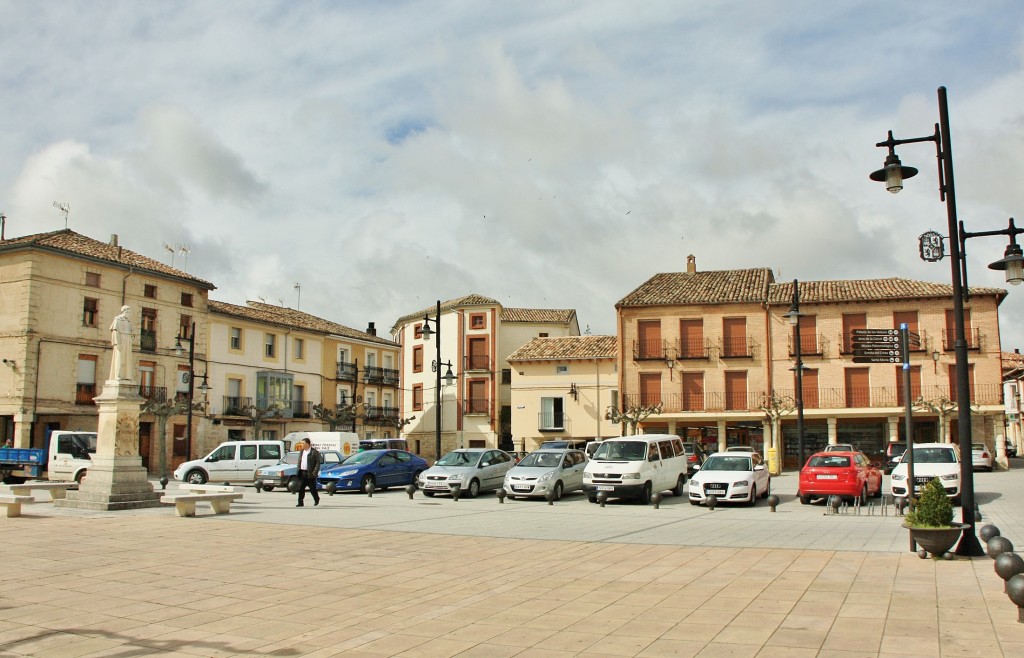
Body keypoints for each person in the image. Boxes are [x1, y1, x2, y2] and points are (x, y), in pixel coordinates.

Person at [108, 305, 133, 381]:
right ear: (124, 311)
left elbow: (131, 331)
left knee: (127, 359)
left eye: (130, 312)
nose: (129, 314)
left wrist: (132, 337)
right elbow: (115, 332)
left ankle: (127, 376)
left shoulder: (128, 321)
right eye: (128, 312)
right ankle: (117, 375)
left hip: (128, 340)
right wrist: (117, 343)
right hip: (120, 340)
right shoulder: (117, 319)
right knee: (119, 358)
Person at [295, 439, 322, 507]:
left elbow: (317, 463)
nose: (301, 445)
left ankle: (316, 499)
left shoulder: (314, 452)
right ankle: (300, 502)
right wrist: (298, 469)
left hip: (310, 473)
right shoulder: (302, 452)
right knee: (301, 488)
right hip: (302, 472)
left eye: (303, 443)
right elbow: (299, 461)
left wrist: (314, 472)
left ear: (307, 444)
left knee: (312, 489)